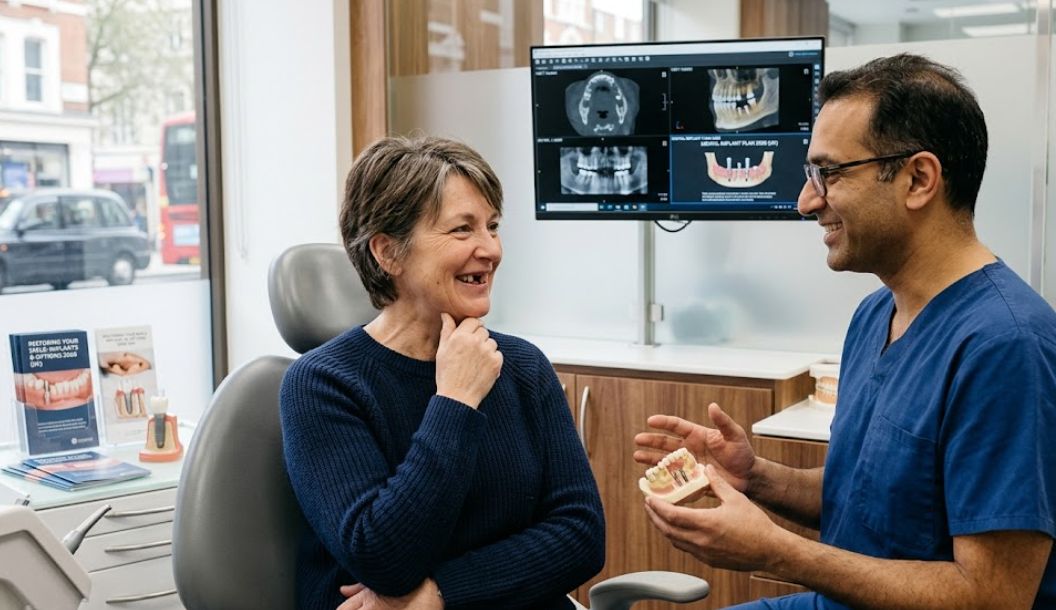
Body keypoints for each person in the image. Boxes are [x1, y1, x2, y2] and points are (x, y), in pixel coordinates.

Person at [635, 54, 1056, 609]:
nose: (806, 201)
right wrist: (754, 476)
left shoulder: (1006, 347)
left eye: (828, 174)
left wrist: (774, 551)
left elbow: (992, 597)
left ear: (918, 179)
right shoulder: (873, 316)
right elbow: (870, 500)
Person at [280, 135, 605, 610]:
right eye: (462, 230)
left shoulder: (522, 367)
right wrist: (455, 401)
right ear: (387, 253)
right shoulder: (322, 385)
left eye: (493, 226)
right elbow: (384, 556)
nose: (490, 249)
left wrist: (441, 595)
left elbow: (581, 535)